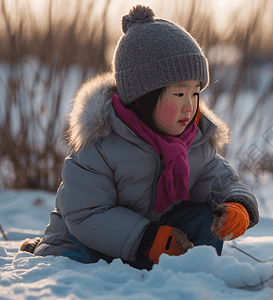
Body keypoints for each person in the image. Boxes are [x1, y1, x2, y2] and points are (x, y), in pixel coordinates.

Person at [21, 5, 259, 270]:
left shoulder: (194, 142)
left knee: (204, 219)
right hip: (89, 242)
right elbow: (86, 214)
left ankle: (195, 273)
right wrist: (148, 240)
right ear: (143, 97)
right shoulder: (101, 142)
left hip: (153, 246)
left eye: (195, 93)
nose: (189, 106)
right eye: (179, 94)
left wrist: (236, 204)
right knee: (76, 263)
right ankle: (44, 250)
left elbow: (218, 179)